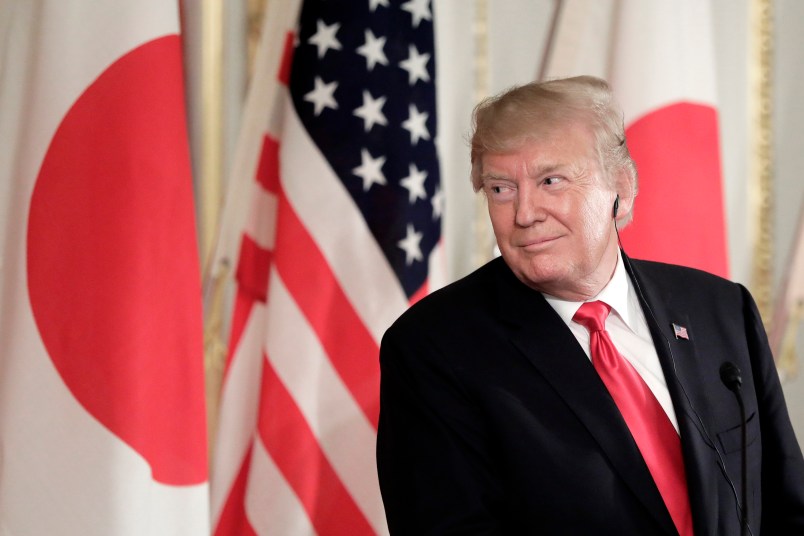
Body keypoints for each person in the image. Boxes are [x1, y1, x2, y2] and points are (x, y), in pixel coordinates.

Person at [376, 76, 804, 535]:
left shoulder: (720, 309)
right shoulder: (435, 348)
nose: (524, 213)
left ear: (620, 187)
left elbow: (785, 505)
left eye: (550, 180)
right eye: (501, 189)